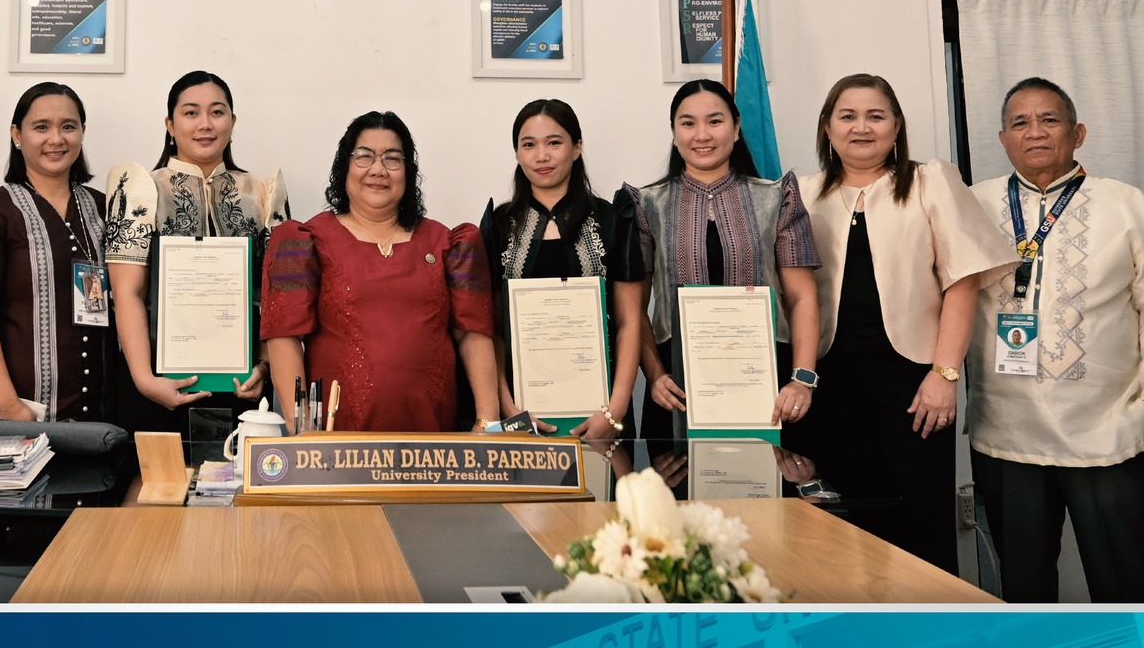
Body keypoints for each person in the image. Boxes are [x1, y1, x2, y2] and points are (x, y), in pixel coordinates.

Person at [794, 73, 1015, 572]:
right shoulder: (803, 194)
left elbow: (962, 282)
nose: (861, 127)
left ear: (897, 126)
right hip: (831, 387)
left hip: (914, 384)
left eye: (876, 116)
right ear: (827, 129)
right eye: (847, 116)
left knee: (921, 524)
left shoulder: (929, 181)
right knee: (844, 527)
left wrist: (945, 374)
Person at [968, 77, 1144, 603]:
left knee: (1129, 578)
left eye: (1049, 120)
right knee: (1025, 585)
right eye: (1020, 123)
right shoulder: (970, 206)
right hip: (1005, 431)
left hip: (1110, 428)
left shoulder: (1130, 206)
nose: (1035, 132)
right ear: (1002, 138)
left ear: (1078, 133)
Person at [262, 111, 499, 432]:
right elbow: (284, 337)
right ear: (344, 167)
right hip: (336, 442)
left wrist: (487, 421)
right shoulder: (307, 240)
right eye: (364, 156)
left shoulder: (447, 243)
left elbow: (473, 333)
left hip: (434, 439)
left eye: (392, 158)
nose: (378, 169)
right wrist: (302, 427)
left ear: (408, 171)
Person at [616, 80, 823, 440]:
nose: (702, 135)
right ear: (674, 133)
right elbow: (634, 310)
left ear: (737, 128)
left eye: (715, 121)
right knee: (680, 495)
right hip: (675, 388)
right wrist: (655, 375)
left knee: (772, 493)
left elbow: (803, 298)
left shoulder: (779, 198)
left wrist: (802, 379)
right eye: (688, 123)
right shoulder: (644, 205)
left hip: (772, 386)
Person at [105, 71, 288, 433]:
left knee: (235, 485)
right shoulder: (142, 188)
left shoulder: (262, 192)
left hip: (242, 387)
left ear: (232, 123)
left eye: (217, 112)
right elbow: (127, 293)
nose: (205, 124)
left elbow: (276, 295)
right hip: (157, 383)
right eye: (191, 113)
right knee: (156, 486)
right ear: (170, 124)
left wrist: (264, 368)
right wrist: (145, 381)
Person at [479, 99, 645, 438]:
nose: (542, 156)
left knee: (604, 491)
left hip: (603, 415)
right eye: (529, 145)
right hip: (522, 417)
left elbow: (630, 321)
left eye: (554, 142)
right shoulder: (498, 226)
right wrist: (508, 408)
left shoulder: (613, 219)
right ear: (517, 153)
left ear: (577, 148)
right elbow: (491, 329)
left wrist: (615, 409)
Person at [0, 82, 114, 423]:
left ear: (82, 132)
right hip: (18, 412)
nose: (56, 139)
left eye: (68, 126)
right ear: (17, 134)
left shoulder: (104, 207)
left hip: (100, 417)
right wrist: (9, 404)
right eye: (41, 127)